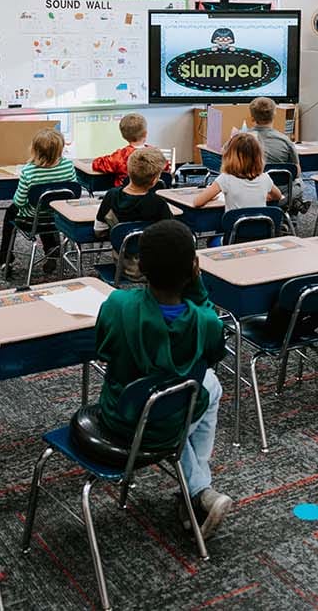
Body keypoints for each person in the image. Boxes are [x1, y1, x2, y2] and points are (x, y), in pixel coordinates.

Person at [92, 220, 232, 537]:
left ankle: (196, 491)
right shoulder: (207, 321)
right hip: (170, 423)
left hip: (120, 419)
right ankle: (199, 490)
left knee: (204, 386)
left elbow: (102, 348)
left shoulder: (117, 305)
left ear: (140, 266)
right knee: (210, 384)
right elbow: (212, 357)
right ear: (195, 268)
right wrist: (195, 283)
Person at [0, 128, 77, 275]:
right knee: (47, 208)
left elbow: (20, 202)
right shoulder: (68, 166)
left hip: (32, 220)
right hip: (60, 218)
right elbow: (73, 194)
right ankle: (52, 249)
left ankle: (5, 258)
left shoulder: (29, 171)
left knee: (12, 211)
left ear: (34, 149)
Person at [95, 148, 175, 281]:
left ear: (128, 171)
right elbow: (171, 235)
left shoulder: (111, 196)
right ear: (155, 180)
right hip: (152, 268)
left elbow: (99, 230)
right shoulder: (158, 204)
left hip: (121, 264)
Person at [192, 132, 282, 212]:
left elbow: (197, 202)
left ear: (229, 156)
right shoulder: (265, 178)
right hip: (261, 228)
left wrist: (211, 198)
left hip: (235, 229)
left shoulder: (225, 179)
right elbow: (278, 196)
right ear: (258, 157)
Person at [248, 97, 306, 212]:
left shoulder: (241, 139)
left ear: (252, 117)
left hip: (248, 192)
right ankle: (292, 217)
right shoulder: (285, 140)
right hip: (279, 192)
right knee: (299, 183)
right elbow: (296, 171)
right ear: (274, 115)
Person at [91, 113, 154, 188]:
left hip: (124, 197)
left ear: (123, 135)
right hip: (151, 196)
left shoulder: (120, 156)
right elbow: (165, 168)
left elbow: (96, 164)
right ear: (146, 133)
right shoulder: (155, 154)